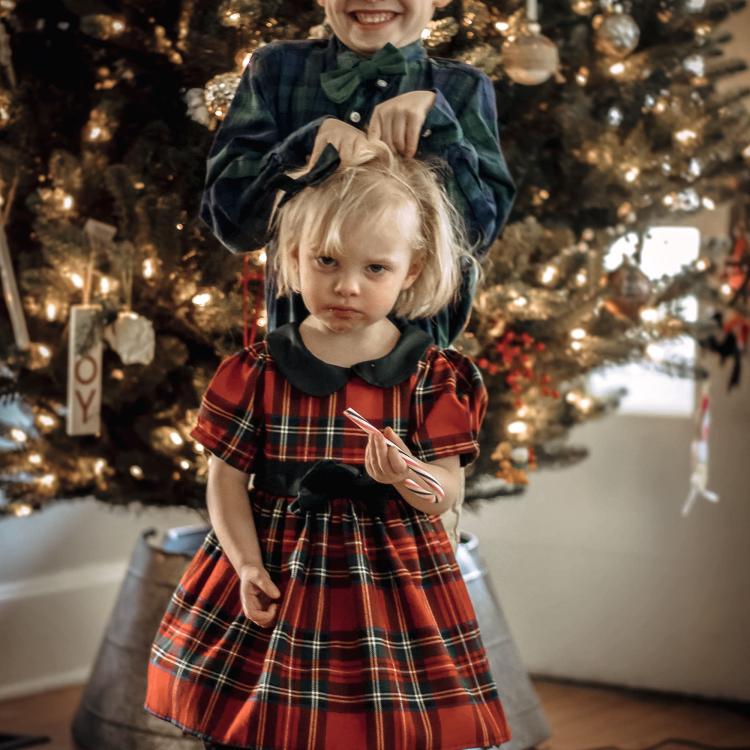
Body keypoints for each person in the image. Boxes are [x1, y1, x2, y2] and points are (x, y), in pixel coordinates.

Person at [145, 142, 511, 749]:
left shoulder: (432, 375)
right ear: (293, 257)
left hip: (390, 585)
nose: (347, 287)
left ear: (410, 272)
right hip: (277, 572)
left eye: (375, 270)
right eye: (327, 262)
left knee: (382, 730)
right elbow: (226, 480)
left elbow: (444, 492)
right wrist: (244, 564)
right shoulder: (257, 370)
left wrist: (405, 476)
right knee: (257, 726)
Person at [200, 0, 516, 349]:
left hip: (413, 365)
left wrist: (440, 128)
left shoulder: (464, 89)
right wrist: (300, 149)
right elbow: (233, 225)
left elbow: (476, 236)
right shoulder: (275, 70)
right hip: (299, 355)